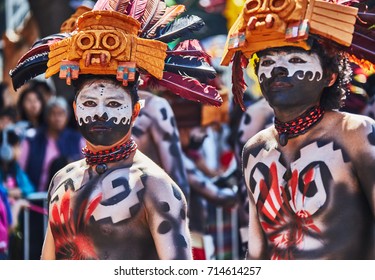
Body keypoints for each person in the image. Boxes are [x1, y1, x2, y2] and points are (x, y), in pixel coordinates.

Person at [10, 0, 222, 260]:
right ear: (75, 110)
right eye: (89, 103)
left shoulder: (155, 186)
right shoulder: (62, 180)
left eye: (113, 103)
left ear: (135, 111)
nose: (101, 113)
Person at [222, 0, 375, 259]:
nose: (278, 69)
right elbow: (257, 248)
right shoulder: (255, 148)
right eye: (267, 62)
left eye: (295, 58)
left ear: (330, 76)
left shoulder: (356, 132)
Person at [19, 96, 84, 192]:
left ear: (67, 116)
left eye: (61, 114)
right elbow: (20, 171)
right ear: (47, 117)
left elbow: (85, 169)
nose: (57, 118)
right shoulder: (33, 140)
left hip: (69, 196)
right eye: (53, 113)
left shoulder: (77, 139)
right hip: (36, 197)